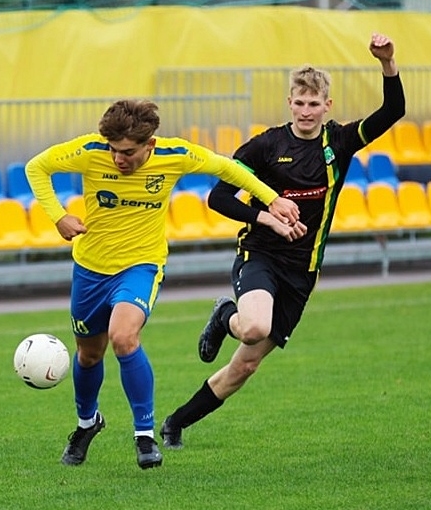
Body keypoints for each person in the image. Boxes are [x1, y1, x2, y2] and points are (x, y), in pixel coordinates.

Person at [24, 99, 300, 470]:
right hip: (90, 268)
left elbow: (229, 168)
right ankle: (87, 424)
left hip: (141, 265)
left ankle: (144, 435)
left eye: (127, 152)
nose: (118, 158)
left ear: (149, 145)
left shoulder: (175, 154)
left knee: (123, 338)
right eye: (113, 150)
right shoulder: (90, 151)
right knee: (89, 354)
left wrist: (272, 200)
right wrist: (58, 217)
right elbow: (36, 167)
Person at [159, 34, 405, 449]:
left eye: (314, 104)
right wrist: (267, 219)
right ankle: (226, 317)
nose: (306, 111)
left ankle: (175, 423)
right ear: (289, 103)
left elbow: (394, 110)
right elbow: (218, 197)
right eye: (299, 102)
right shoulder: (266, 146)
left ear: (327, 106)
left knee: (245, 366)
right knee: (254, 327)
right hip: (261, 254)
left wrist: (388, 62)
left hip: (302, 272)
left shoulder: (339, 143)